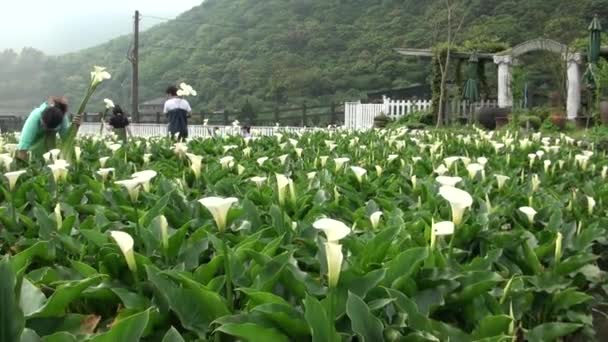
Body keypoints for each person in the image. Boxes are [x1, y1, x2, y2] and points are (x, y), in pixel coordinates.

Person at [16, 96, 81, 161]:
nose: (46, 129)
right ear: (41, 117)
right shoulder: (35, 116)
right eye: (43, 126)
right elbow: (23, 145)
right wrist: (22, 166)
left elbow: (66, 139)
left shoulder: (61, 116)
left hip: (51, 157)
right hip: (33, 158)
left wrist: (75, 127)